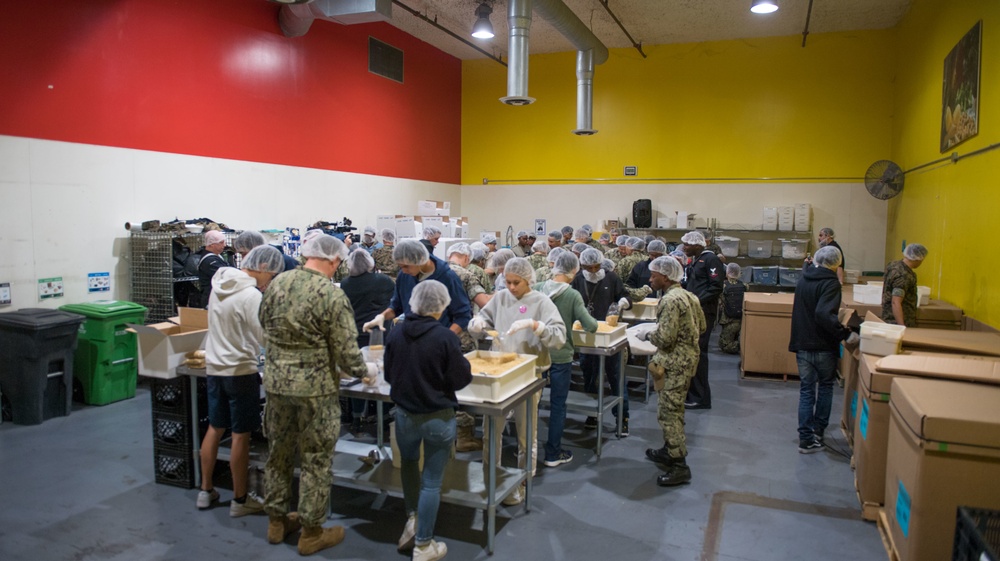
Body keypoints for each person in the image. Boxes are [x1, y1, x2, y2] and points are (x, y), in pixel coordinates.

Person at [258, 233, 376, 555]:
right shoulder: (330, 295)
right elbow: (347, 352)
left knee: (278, 454)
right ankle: (311, 531)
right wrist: (366, 372)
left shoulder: (277, 284)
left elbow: (264, 325)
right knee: (315, 458)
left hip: (277, 384)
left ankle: (276, 521)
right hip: (315, 391)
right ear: (335, 260)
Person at [384, 280, 472, 561]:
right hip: (437, 417)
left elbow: (388, 375)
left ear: (413, 302)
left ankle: (412, 518)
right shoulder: (445, 337)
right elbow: (461, 378)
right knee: (432, 481)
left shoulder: (396, 334)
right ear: (442, 305)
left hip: (404, 415)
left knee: (409, 465)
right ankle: (424, 544)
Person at [469, 257, 566, 505]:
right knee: (493, 430)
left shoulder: (542, 302)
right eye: (508, 281)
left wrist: (536, 326)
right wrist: (478, 323)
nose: (511, 287)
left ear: (528, 280)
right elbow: (485, 320)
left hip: (529, 375)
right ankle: (493, 475)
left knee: (526, 431)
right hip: (501, 372)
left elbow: (559, 338)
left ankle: (524, 479)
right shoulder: (500, 298)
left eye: (517, 282)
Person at [198, 245, 285, 517]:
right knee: (240, 435)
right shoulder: (250, 295)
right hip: (239, 371)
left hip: (214, 367)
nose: (269, 281)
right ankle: (239, 499)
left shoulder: (219, 284)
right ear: (261, 268)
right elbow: (264, 337)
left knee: (215, 427)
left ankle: (205, 490)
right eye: (270, 276)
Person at [634, 256, 706, 486]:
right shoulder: (689, 295)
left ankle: (679, 465)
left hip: (674, 364)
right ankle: (669, 449)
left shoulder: (669, 301)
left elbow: (665, 338)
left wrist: (646, 334)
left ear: (665, 276)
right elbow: (701, 326)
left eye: (653, 275)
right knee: (674, 408)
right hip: (688, 360)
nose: (650, 279)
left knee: (669, 412)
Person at [789, 246, 859, 453]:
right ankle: (818, 431)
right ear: (836, 263)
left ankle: (805, 437)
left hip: (802, 342)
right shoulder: (830, 283)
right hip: (822, 345)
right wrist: (845, 334)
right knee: (825, 387)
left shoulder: (804, 279)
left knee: (806, 390)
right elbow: (822, 313)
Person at [535, 252, 597, 468]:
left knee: (531, 404)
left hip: (535, 355)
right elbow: (591, 325)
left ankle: (527, 452)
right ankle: (552, 453)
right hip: (560, 355)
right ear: (573, 271)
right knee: (558, 405)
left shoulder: (537, 288)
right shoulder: (571, 295)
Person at [571, 248, 632, 436]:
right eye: (589, 267)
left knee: (615, 377)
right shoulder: (579, 279)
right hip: (587, 335)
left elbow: (626, 296)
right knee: (589, 376)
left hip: (609, 335)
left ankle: (622, 417)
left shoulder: (611, 278)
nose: (593, 270)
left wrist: (622, 302)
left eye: (596, 266)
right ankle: (592, 414)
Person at [362, 240, 471, 343]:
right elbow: (397, 306)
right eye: (400, 267)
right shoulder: (405, 276)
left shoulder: (447, 277)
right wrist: (382, 316)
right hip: (412, 340)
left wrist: (445, 337)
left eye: (406, 266)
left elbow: (463, 315)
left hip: (437, 340)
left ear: (421, 259)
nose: (403, 270)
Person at [340, 249, 394, 434]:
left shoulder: (346, 284)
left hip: (356, 333)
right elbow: (395, 302)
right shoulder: (383, 281)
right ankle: (385, 416)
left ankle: (357, 417)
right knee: (382, 376)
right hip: (379, 335)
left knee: (359, 377)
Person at [681, 230, 724, 410]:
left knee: (699, 353)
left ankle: (701, 398)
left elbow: (715, 287)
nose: (684, 248)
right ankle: (693, 393)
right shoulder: (696, 261)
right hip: (694, 312)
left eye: (687, 245)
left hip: (704, 312)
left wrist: (696, 301)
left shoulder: (710, 260)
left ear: (697, 245)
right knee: (693, 352)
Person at [881, 243, 928, 327]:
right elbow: (896, 302)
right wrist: (901, 326)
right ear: (917, 259)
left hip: (887, 315)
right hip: (897, 320)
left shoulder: (893, 265)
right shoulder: (904, 276)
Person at [234, 229, 299, 273]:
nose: (243, 258)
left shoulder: (286, 263)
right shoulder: (255, 266)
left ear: (255, 248)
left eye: (244, 254)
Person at [195, 230, 231, 308]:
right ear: (211, 244)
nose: (224, 245)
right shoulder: (210, 261)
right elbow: (226, 275)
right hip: (210, 300)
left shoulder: (217, 257)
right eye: (221, 243)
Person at [718, 263, 747, 354]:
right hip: (740, 318)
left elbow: (720, 301)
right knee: (734, 335)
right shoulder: (745, 286)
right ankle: (738, 342)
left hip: (727, 318)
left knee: (724, 345)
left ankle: (743, 346)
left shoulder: (723, 286)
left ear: (727, 273)